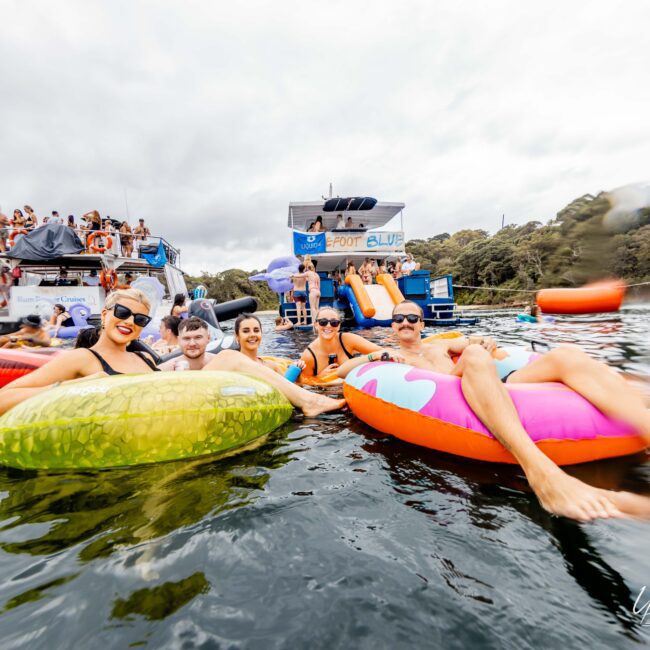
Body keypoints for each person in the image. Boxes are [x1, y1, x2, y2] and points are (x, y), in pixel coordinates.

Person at [336, 300, 650, 522]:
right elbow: (343, 371)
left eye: (411, 318)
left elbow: (480, 342)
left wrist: (484, 340)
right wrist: (381, 357)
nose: (405, 323)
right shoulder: (387, 354)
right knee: (472, 355)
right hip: (456, 393)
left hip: (493, 383)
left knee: (567, 355)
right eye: (399, 318)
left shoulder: (440, 344)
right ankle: (540, 472)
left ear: (422, 324)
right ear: (392, 325)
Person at [0, 289, 158, 415]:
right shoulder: (82, 358)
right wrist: (75, 386)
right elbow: (3, 399)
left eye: (140, 319)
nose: (130, 322)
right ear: (104, 315)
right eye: (122, 312)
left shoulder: (145, 358)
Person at [299, 306, 381, 379]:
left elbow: (382, 352)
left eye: (334, 322)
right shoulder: (309, 356)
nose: (328, 325)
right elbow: (305, 382)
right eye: (323, 322)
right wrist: (320, 377)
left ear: (338, 326)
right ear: (316, 325)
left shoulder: (348, 339)